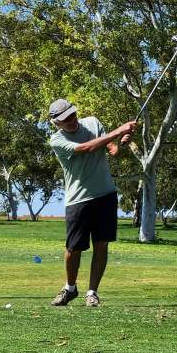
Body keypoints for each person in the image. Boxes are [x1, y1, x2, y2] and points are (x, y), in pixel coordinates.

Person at [46, 99, 137, 308]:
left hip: (105, 194)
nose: (71, 120)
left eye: (72, 114)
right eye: (65, 119)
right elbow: (87, 147)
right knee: (73, 248)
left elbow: (111, 148)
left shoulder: (93, 123)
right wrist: (119, 129)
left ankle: (92, 292)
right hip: (78, 199)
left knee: (101, 245)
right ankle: (70, 288)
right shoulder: (57, 140)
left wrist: (122, 141)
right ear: (56, 123)